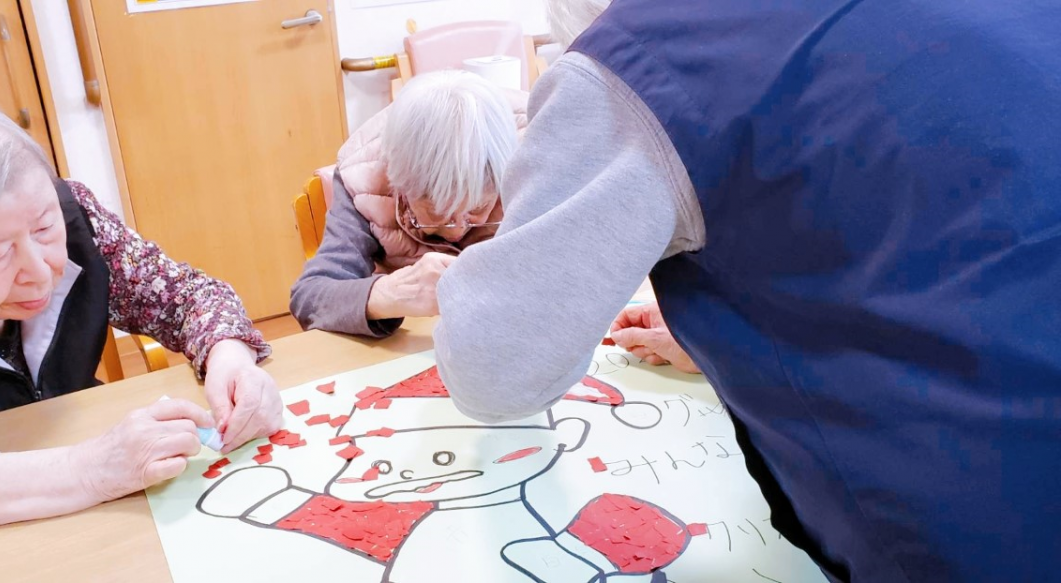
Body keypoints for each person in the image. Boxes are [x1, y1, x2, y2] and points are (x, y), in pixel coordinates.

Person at [432, 0, 1061, 581]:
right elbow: (913, 226)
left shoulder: (639, 59)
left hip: (986, 509)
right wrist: (734, 328)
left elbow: (497, 367)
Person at [0, 92, 284, 545]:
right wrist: (87, 469)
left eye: (44, 228)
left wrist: (230, 357)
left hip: (101, 511)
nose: (41, 270)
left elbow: (186, 296)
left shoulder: (76, 215)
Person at [289, 70, 526, 337]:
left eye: (478, 208)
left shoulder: (539, 154)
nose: (458, 230)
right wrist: (392, 293)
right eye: (436, 211)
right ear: (399, 185)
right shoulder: (364, 175)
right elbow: (310, 296)